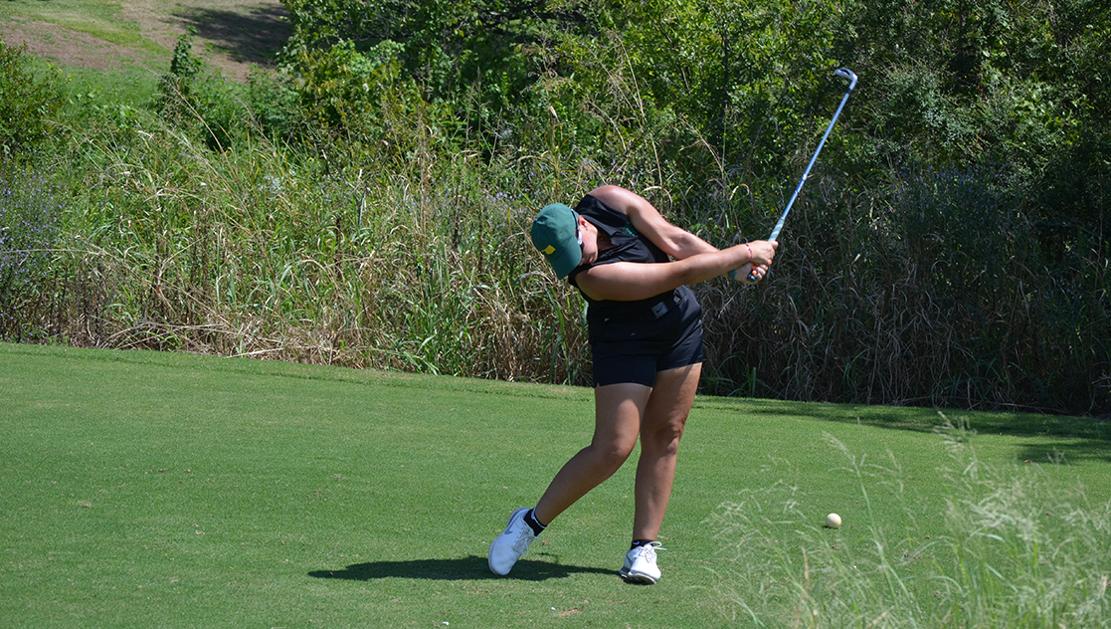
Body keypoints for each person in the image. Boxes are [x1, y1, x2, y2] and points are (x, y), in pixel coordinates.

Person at [487, 185, 778, 584]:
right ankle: (529, 523)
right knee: (613, 446)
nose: (580, 261)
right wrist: (744, 253)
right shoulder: (592, 277)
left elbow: (674, 240)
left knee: (667, 433)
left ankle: (643, 547)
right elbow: (676, 272)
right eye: (570, 262)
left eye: (580, 248)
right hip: (623, 342)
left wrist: (730, 264)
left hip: (679, 329)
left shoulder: (610, 199)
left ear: (583, 222)